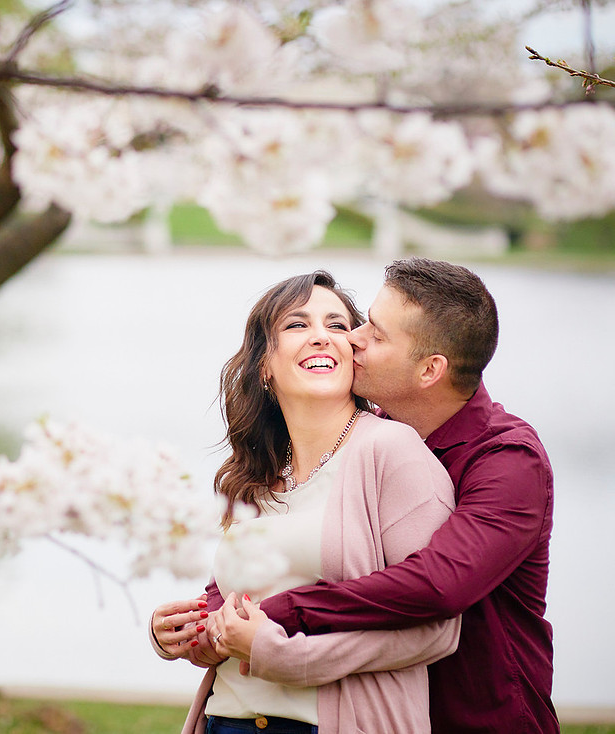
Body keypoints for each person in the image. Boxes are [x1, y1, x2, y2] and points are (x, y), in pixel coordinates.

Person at [189, 259, 558, 733]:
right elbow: (290, 542)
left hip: (478, 712)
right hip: (370, 700)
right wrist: (205, 617)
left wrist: (284, 611)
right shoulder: (353, 439)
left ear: (429, 370)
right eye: (361, 321)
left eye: (376, 334)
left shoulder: (507, 460)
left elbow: (439, 584)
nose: (353, 338)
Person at [151, 271, 461, 734]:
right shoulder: (254, 478)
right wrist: (189, 632)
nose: (321, 336)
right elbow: (237, 617)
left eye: (337, 326)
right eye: (297, 325)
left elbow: (437, 629)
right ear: (264, 366)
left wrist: (282, 656)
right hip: (226, 720)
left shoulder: (392, 452)